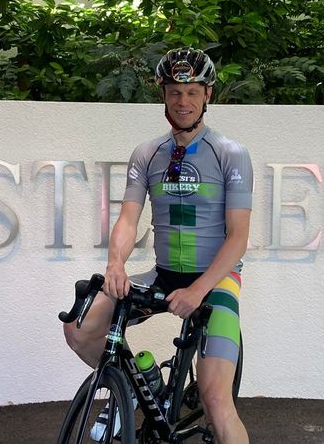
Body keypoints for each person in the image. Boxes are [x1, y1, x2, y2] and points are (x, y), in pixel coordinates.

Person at [63, 47, 253, 444]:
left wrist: (199, 290)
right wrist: (116, 264)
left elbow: (238, 238)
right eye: (173, 92)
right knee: (79, 330)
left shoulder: (231, 154)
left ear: (207, 96)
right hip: (164, 274)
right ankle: (133, 389)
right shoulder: (147, 154)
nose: (182, 101)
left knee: (215, 398)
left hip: (215, 282)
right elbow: (129, 218)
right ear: (163, 95)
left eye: (191, 92)